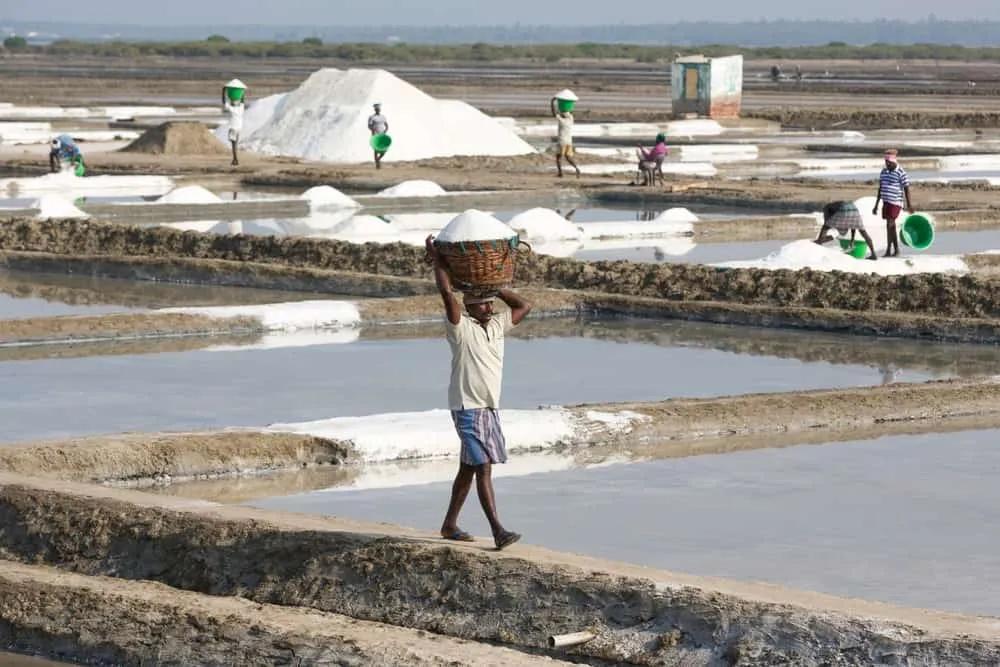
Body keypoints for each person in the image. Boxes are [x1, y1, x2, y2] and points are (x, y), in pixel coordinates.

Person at [425, 234, 531, 551]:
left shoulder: (497, 326)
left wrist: (492, 284)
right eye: (483, 303)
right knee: (482, 467)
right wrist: (439, 261)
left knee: (469, 467)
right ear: (471, 309)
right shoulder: (461, 328)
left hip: (488, 407)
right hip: (467, 407)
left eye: (490, 303)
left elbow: (524, 305)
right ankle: (498, 530)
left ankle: (449, 524)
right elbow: (446, 293)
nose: (489, 306)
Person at [873, 149, 913, 258]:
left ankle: (890, 250)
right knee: (890, 226)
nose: (887, 165)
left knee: (890, 224)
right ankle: (895, 250)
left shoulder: (901, 172)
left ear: (893, 162)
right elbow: (880, 188)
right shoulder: (884, 171)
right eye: (886, 162)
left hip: (895, 202)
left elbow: (906, 189)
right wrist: (876, 204)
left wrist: (909, 205)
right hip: (886, 201)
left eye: (889, 163)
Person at [550, 97, 579, 178]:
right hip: (569, 142)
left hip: (562, 141)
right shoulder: (571, 119)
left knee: (558, 157)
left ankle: (560, 173)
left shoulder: (561, 121)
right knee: (568, 157)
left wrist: (552, 102)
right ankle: (576, 168)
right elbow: (570, 111)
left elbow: (554, 113)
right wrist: (571, 103)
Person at [221, 88, 246, 167]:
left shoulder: (233, 109)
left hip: (233, 127)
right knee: (235, 144)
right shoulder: (241, 108)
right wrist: (242, 92)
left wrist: (223, 91)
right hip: (239, 127)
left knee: (233, 144)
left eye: (232, 102)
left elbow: (224, 101)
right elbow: (242, 101)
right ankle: (235, 159)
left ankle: (235, 160)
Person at [367, 103, 389, 169]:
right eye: (376, 109)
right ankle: (377, 164)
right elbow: (369, 126)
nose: (378, 110)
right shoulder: (372, 117)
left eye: (379, 109)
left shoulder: (383, 117)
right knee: (376, 149)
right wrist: (373, 130)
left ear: (380, 109)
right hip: (375, 135)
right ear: (375, 110)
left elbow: (386, 125)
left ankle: (378, 160)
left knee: (384, 150)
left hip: (382, 135)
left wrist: (385, 131)